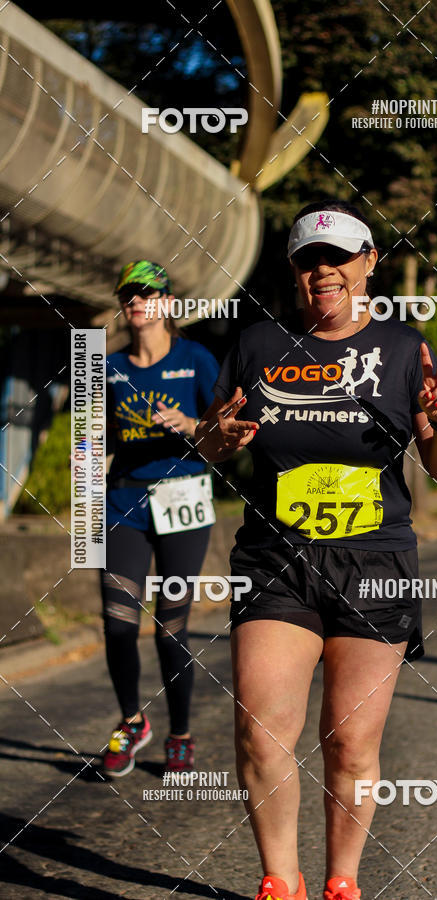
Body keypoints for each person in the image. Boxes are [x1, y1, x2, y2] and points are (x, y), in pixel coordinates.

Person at [196, 201, 437, 900]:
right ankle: (279, 881)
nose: (326, 271)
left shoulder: (405, 351)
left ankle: (341, 883)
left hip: (374, 564)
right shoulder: (257, 345)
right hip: (275, 560)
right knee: (261, 733)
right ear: (294, 272)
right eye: (310, 260)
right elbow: (212, 440)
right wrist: (217, 442)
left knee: (350, 745)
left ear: (369, 261)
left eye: (340, 257)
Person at [101, 260, 219, 776]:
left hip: (182, 498)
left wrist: (191, 423)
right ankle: (131, 722)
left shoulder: (195, 359)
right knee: (117, 622)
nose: (136, 301)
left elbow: (225, 431)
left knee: (170, 630)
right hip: (123, 501)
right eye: (129, 294)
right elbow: (97, 437)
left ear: (168, 303)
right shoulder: (107, 367)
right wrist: (84, 456)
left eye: (147, 293)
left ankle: (180, 733)